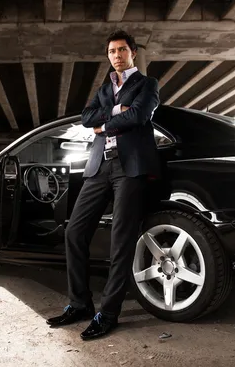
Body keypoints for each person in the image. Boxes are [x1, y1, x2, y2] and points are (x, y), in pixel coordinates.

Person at [46, 30, 161, 340]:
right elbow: (86, 117)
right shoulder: (105, 87)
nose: (116, 55)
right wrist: (113, 112)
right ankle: (80, 303)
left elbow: (138, 116)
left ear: (133, 53)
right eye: (112, 51)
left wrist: (104, 123)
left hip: (130, 168)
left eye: (122, 50)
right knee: (74, 231)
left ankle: (108, 313)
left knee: (120, 239)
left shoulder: (147, 85)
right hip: (99, 166)